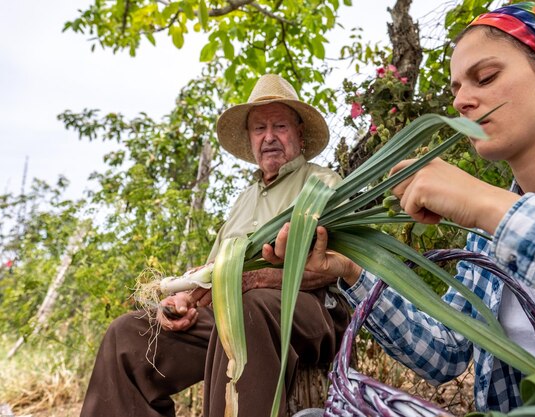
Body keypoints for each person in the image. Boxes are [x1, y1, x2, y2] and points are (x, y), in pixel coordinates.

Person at [263, 1, 535, 413]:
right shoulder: (485, 237)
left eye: (485, 77)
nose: (461, 102)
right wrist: (352, 269)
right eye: (455, 89)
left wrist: (489, 205)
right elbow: (445, 353)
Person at [80, 74, 350, 417]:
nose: (269, 137)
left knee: (246, 308)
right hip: (231, 308)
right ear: (251, 140)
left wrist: (258, 279)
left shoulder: (322, 183)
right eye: (259, 129)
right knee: (128, 336)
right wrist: (185, 300)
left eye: (279, 126)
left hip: (309, 310)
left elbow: (337, 266)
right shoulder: (242, 202)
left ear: (298, 132)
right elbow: (211, 275)